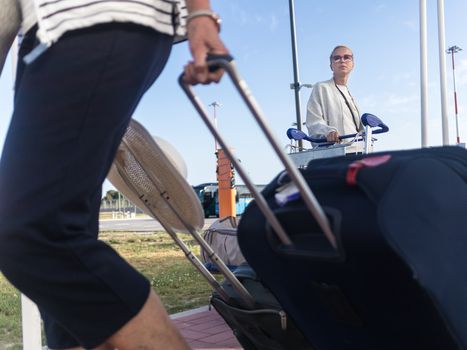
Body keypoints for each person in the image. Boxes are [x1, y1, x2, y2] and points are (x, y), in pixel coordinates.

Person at [0, 0, 228, 349]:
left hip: (100, 17)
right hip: (42, 37)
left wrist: (199, 12)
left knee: (32, 231)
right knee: (64, 262)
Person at [305, 45, 363, 153]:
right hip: (336, 153)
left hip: (358, 153)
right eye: (337, 58)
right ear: (331, 65)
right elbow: (313, 122)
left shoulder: (351, 96)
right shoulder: (321, 88)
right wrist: (328, 132)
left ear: (352, 64)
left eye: (347, 57)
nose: (342, 60)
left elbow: (359, 129)